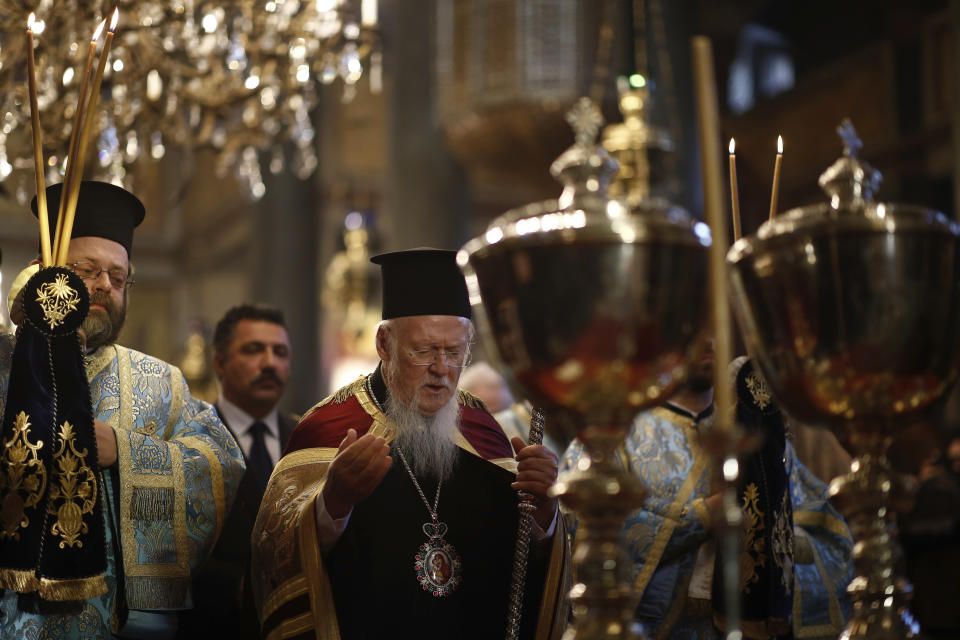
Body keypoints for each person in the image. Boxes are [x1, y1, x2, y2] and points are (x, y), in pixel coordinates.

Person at [250, 248, 569, 640]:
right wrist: (332, 503)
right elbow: (273, 557)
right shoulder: (328, 428)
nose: (441, 369)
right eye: (424, 351)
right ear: (385, 344)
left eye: (455, 353)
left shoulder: (483, 429)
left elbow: (522, 569)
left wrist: (544, 514)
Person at [0, 181, 245, 638]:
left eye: (118, 277)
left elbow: (221, 464)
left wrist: (127, 452)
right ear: (44, 272)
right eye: (86, 270)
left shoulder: (161, 382)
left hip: (114, 621)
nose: (103, 287)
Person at [559, 340, 854, 640]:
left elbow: (831, 540)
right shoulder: (615, 433)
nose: (709, 340)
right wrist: (704, 516)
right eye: (694, 325)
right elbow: (585, 533)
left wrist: (766, 543)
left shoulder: (757, 438)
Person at [178, 303, 295, 639]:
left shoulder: (307, 440)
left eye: (281, 352)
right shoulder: (187, 439)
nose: (271, 363)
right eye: (253, 350)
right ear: (219, 362)